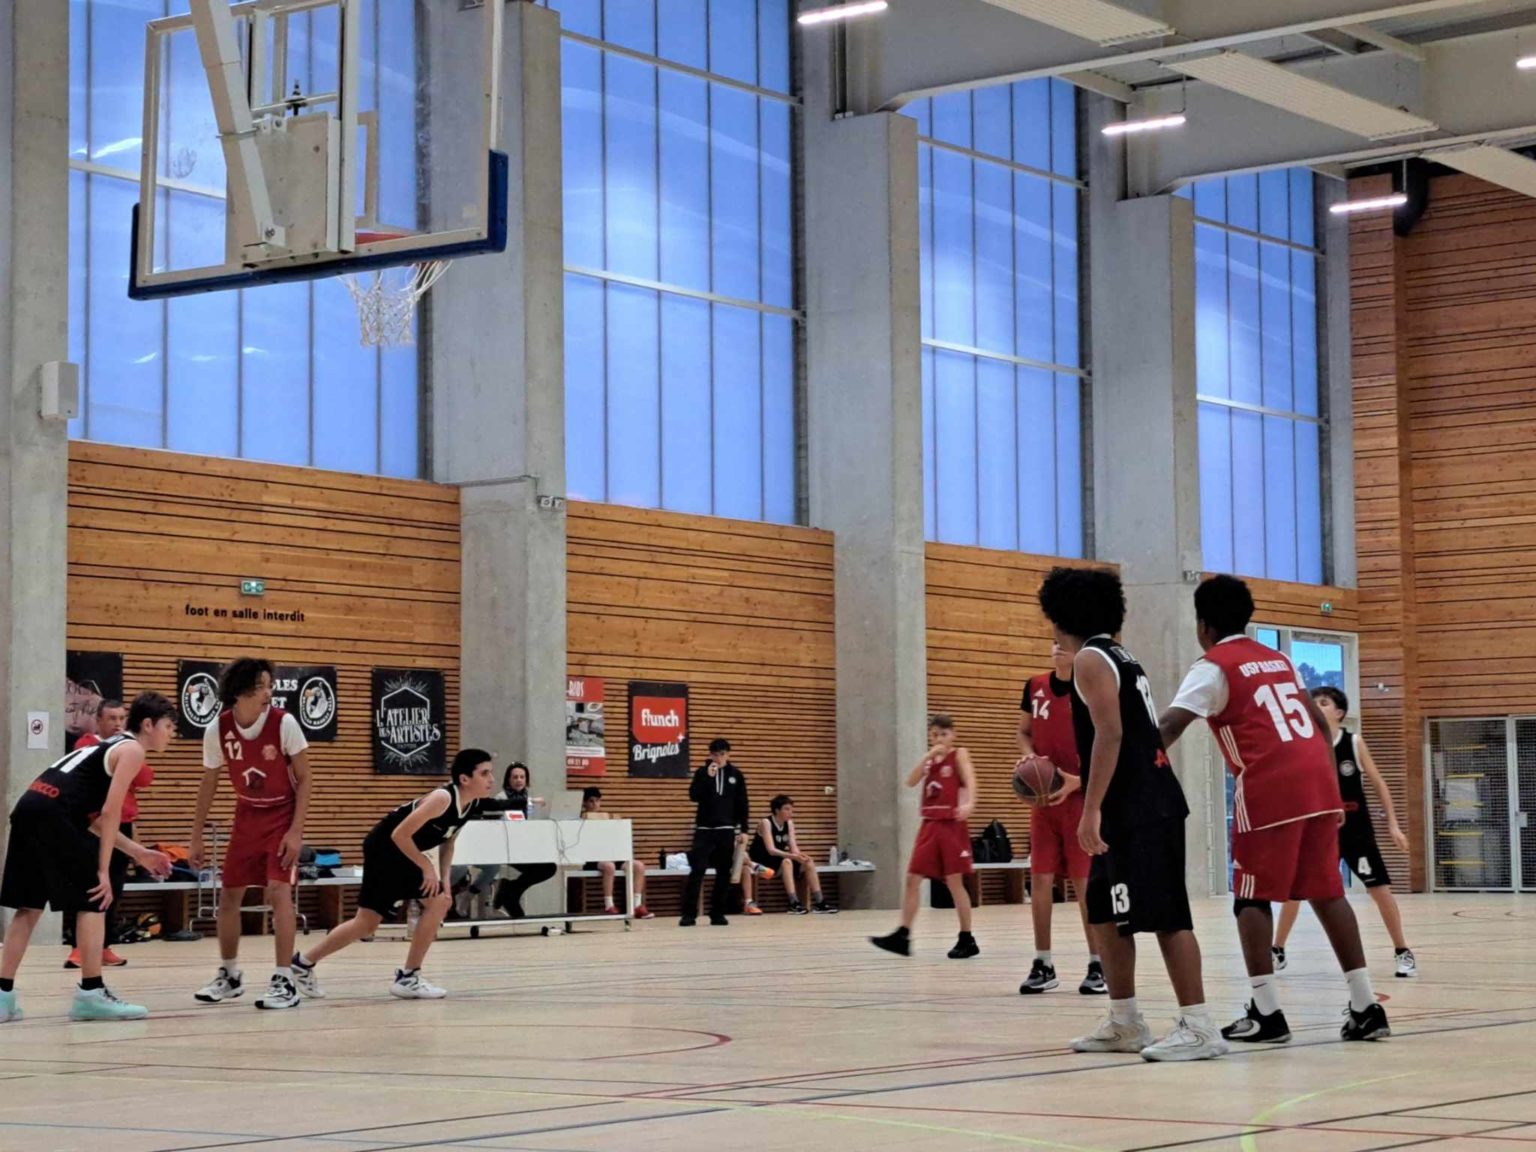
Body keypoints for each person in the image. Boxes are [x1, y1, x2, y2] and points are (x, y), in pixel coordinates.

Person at [1159, 575, 1390, 1045]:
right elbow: (1319, 725)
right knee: (1328, 893)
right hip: (1319, 784)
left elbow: (1169, 725)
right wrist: (1331, 789)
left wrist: (1125, 771)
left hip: (1269, 785)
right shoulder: (1279, 659)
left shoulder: (1212, 666)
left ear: (1203, 626)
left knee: (1251, 897)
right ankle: (1366, 1006)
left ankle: (1267, 1012)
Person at [1036, 567, 1225, 1062]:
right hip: (1136, 801)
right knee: (1105, 912)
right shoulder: (1117, 654)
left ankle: (1200, 1026)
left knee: (1167, 917)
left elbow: (1111, 733)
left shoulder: (1091, 659)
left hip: (1142, 806)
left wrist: (1090, 808)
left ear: (1062, 614)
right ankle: (1125, 1022)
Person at [1, 693, 176, 1023]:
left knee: (29, 906)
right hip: (53, 815)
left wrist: (138, 852)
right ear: (148, 724)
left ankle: (2, 997)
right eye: (168, 726)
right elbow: (110, 813)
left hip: (30, 808)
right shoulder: (132, 750)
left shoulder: (102, 747)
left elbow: (88, 817)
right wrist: (103, 871)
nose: (171, 734)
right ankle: (91, 994)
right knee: (94, 898)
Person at [290, 750, 498, 999]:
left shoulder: (471, 804)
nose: (491, 779)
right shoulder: (442, 798)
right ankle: (409, 977)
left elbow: (448, 843)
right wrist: (426, 867)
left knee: (366, 923)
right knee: (436, 903)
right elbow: (399, 834)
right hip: (386, 848)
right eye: (485, 773)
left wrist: (445, 882)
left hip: (398, 852)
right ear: (465, 779)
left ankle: (303, 963)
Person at [189, 657, 313, 1011]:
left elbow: (306, 778)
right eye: (261, 687)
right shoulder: (218, 729)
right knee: (229, 895)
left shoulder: (284, 723)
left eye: (269, 686)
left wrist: (296, 831)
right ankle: (229, 975)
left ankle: (284, 979)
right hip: (246, 815)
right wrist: (195, 836)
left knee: (279, 891)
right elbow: (209, 782)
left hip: (281, 813)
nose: (268, 693)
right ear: (240, 691)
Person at [1273, 688, 1416, 979]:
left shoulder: (1353, 742)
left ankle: (1403, 951)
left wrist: (1393, 824)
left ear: (1339, 713)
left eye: (1324, 703)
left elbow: (1379, 783)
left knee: (1380, 889)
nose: (1317, 706)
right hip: (1319, 829)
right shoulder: (1305, 743)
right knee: (1295, 891)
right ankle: (1277, 949)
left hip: (1356, 828)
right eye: (1313, 703)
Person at [1016, 646, 1105, 996]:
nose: (1057, 647)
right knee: (1040, 880)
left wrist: (1078, 782)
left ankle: (1098, 964)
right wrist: (1031, 760)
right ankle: (1043, 963)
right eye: (1053, 641)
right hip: (1045, 805)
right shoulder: (1035, 685)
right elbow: (1023, 732)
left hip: (1081, 801)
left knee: (1085, 886)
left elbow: (1109, 747)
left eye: (1064, 641)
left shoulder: (1091, 691)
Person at [870, 715, 980, 960]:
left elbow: (970, 779)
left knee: (954, 882)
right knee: (912, 878)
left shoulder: (959, 754)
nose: (940, 739)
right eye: (935, 734)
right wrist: (926, 757)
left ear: (953, 735)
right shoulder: (929, 761)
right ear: (930, 736)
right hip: (929, 824)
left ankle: (967, 937)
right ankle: (903, 935)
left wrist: (970, 803)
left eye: (944, 734)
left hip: (951, 824)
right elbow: (910, 781)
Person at [65, 699, 148, 969]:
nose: (117, 724)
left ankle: (104, 946)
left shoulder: (128, 747)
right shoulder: (88, 744)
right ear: (99, 720)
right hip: (94, 821)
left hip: (122, 823)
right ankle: (77, 947)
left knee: (114, 885)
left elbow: (144, 777)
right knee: (89, 885)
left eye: (121, 718)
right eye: (111, 718)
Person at [680, 739, 750, 927]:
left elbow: (742, 803)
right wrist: (708, 778)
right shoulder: (702, 773)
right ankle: (689, 914)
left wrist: (744, 829)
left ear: (728, 754)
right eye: (715, 754)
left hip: (726, 830)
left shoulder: (736, 775)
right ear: (710, 755)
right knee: (698, 869)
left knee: (723, 872)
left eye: (722, 754)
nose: (718, 758)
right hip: (704, 829)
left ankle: (717, 913)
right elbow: (694, 795)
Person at [742, 795, 837, 915]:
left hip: (779, 859)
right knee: (787, 862)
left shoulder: (789, 824)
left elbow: (793, 847)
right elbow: (771, 850)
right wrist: (792, 856)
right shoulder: (766, 822)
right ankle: (793, 903)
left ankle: (820, 902)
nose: (790, 812)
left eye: (791, 809)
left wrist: (801, 856)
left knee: (808, 862)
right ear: (777, 810)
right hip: (762, 861)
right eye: (786, 809)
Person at [487, 762, 557, 918]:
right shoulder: (501, 798)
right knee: (542, 868)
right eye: (515, 777)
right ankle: (510, 892)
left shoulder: (530, 799)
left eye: (522, 777)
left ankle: (510, 890)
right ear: (508, 780)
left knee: (549, 867)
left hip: (526, 846)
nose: (519, 780)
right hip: (506, 846)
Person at [579, 787, 653, 919]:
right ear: (584, 803)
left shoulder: (607, 818)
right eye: (591, 801)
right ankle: (609, 905)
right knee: (609, 866)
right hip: (593, 859)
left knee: (639, 866)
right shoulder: (580, 820)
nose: (595, 804)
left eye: (598, 801)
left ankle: (636, 905)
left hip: (613, 855)